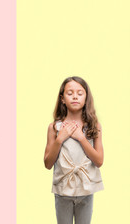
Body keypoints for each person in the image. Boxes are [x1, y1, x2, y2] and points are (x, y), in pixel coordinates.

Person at [44, 76, 104, 224]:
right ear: (62, 98)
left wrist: (81, 138)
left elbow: (99, 161)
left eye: (80, 93)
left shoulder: (94, 126)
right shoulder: (54, 127)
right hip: (63, 190)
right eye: (70, 93)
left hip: (86, 190)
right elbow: (47, 163)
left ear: (86, 98)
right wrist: (60, 139)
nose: (75, 96)